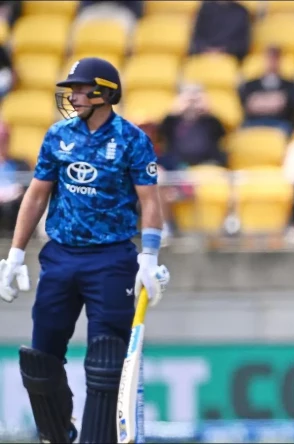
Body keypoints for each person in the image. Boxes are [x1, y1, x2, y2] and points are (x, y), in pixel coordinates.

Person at [0, 57, 170, 443]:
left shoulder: (131, 139)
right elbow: (36, 195)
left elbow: (150, 202)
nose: (73, 95)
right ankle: (57, 433)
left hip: (111, 259)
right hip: (60, 255)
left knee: (106, 362)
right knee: (40, 359)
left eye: (80, 88)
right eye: (71, 88)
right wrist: (14, 254)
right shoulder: (58, 135)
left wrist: (149, 256)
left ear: (104, 92)